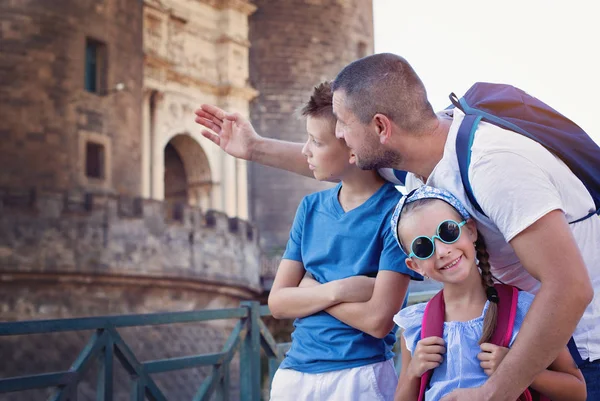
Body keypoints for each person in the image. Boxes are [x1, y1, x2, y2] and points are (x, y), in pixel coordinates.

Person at [194, 53, 599, 400]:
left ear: (381, 127)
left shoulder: (493, 165)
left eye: (343, 123)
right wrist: (253, 148)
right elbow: (337, 162)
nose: (337, 135)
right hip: (524, 338)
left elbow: (570, 287)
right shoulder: (420, 162)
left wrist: (492, 393)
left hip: (580, 343)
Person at [257, 82, 421, 400]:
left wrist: (309, 290)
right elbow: (277, 303)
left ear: (352, 148)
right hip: (294, 376)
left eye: (316, 142)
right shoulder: (310, 209)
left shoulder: (398, 214)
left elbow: (378, 322)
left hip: (361, 377)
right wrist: (340, 290)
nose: (305, 150)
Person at [391, 185, 586, 401]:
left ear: (471, 230)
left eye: (448, 232)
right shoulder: (417, 326)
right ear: (415, 265)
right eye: (423, 247)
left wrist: (516, 369)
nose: (442, 251)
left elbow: (577, 391)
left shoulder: (525, 309)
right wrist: (412, 373)